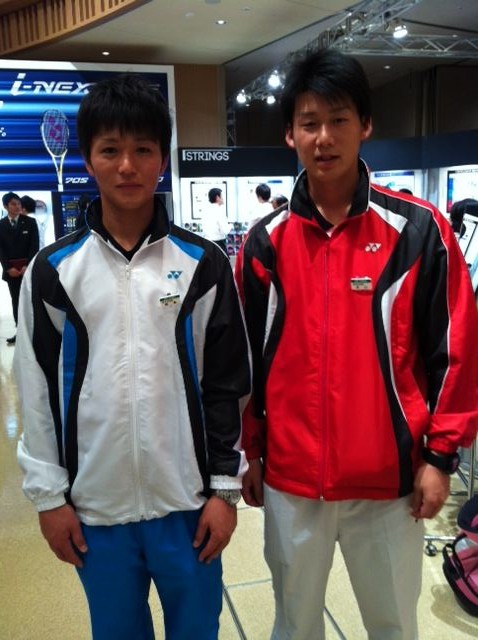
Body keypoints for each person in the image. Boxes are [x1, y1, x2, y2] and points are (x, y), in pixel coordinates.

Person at [235, 48, 478, 640]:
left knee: (393, 625)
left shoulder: (419, 231)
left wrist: (440, 458)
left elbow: (456, 352)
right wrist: (250, 453)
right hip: (292, 482)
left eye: (339, 120)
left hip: (390, 482)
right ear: (290, 134)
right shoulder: (265, 243)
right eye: (309, 122)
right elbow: (244, 364)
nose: (324, 137)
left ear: (365, 125)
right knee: (295, 625)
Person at [15, 74, 251, 640]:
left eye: (143, 150)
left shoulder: (203, 264)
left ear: (162, 160)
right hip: (96, 511)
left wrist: (225, 489)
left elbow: (226, 384)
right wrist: (49, 498)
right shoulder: (54, 271)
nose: (127, 166)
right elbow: (36, 389)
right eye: (110, 150)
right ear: (88, 159)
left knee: (197, 631)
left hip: (188, 504)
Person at [0, 191, 39, 345]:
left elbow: (34, 246)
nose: (17, 206)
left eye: (19, 204)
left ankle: (35, 332)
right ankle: (20, 332)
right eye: (13, 204)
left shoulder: (30, 222)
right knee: (16, 300)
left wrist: (27, 265)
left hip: (27, 270)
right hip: (11, 272)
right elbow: (1, 250)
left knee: (31, 299)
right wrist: (8, 268)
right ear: (6, 206)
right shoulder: (1, 225)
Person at [201, 187, 230, 252]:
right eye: (222, 196)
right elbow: (225, 231)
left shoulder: (205, 211)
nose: (223, 199)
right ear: (217, 197)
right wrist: (230, 226)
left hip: (207, 243)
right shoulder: (219, 211)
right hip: (218, 244)